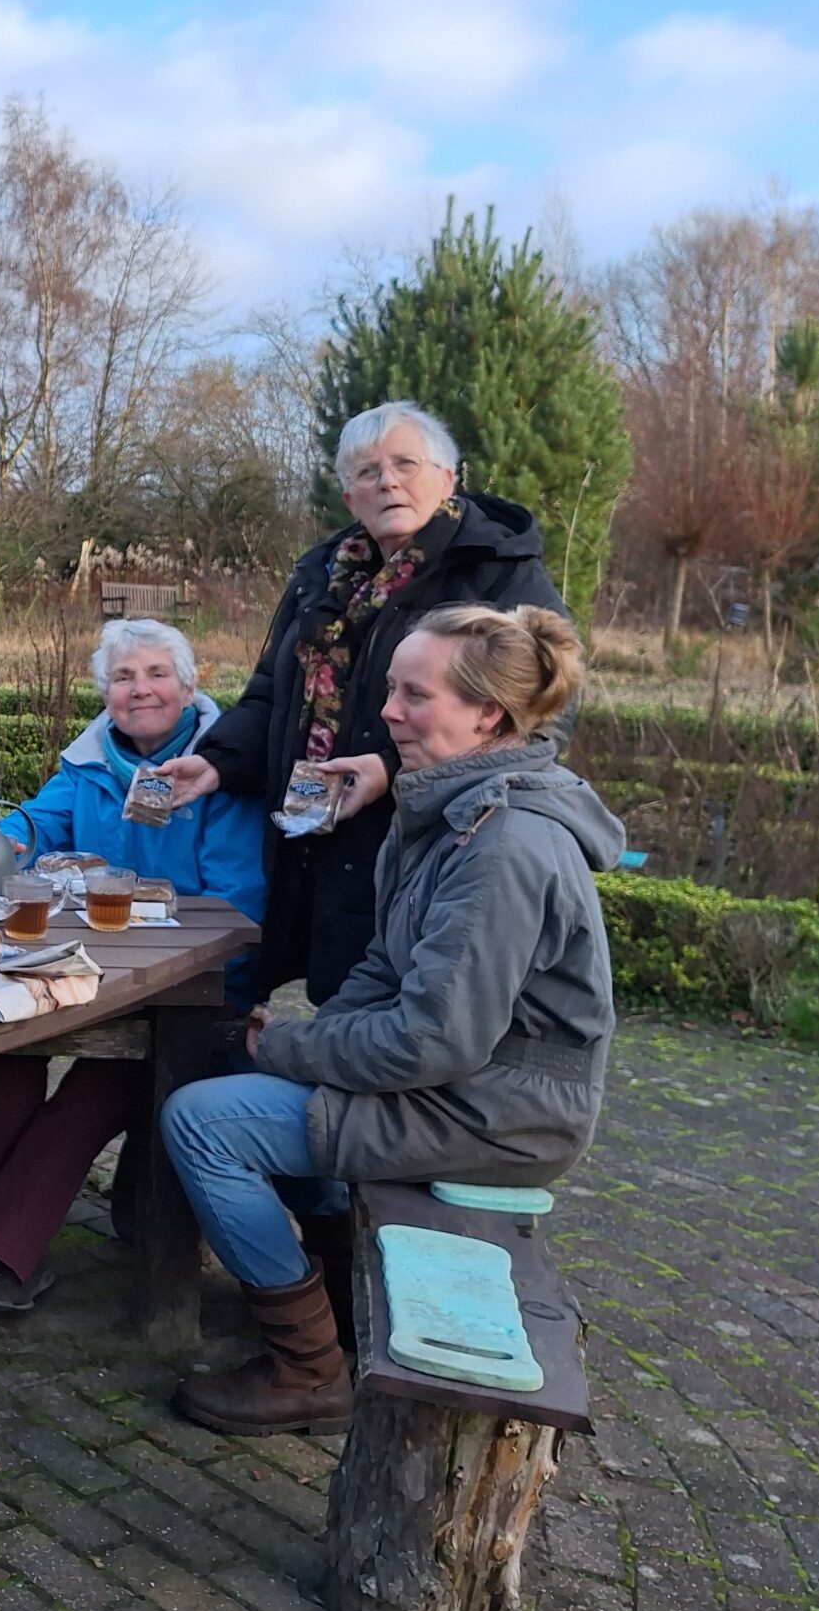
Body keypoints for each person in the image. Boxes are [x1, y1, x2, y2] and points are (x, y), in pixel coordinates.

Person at [159, 605, 620, 1437]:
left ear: (489, 715)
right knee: (250, 1082)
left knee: (200, 1123)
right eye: (392, 690)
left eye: (415, 695)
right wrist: (303, 1040)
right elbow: (385, 965)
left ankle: (308, 1370)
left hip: (500, 1113)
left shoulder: (502, 845)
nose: (388, 714)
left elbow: (433, 1039)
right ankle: (335, 1294)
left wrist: (293, 1045)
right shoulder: (453, 812)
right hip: (465, 1085)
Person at [0, 619, 268, 1346]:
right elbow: (35, 824)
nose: (140, 689)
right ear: (106, 693)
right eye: (124, 678)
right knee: (6, 1040)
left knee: (102, 1081)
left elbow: (240, 910)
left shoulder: (221, 777)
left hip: (189, 996)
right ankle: (14, 1257)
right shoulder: (89, 765)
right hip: (88, 977)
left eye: (157, 674)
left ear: (190, 687)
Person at [151, 402, 571, 1005]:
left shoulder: (498, 578)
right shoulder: (320, 577)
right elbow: (272, 692)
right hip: (312, 844)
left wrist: (392, 771)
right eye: (367, 472)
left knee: (391, 1009)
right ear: (350, 499)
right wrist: (218, 760)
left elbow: (543, 725)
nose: (388, 482)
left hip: (425, 844)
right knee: (315, 1004)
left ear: (448, 480)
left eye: (405, 464)